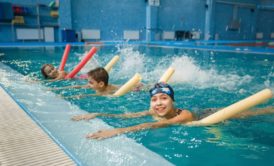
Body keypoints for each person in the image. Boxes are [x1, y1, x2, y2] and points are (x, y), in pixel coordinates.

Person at [72, 82, 274, 140]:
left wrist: (115, 131)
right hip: (202, 117)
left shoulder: (181, 115)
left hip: (208, 116)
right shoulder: (153, 111)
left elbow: (151, 125)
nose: (158, 104)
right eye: (154, 100)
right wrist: (98, 114)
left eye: (164, 98)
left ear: (173, 102)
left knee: (251, 113)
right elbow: (127, 116)